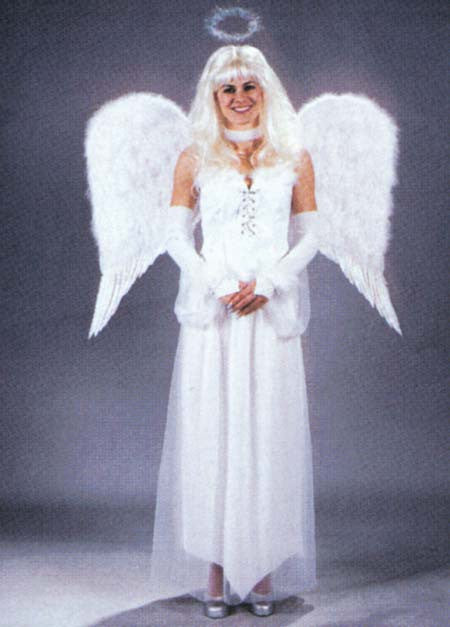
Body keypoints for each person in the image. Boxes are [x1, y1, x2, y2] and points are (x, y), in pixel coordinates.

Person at [148, 44, 319, 619]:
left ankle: (263, 569)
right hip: (215, 315)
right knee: (213, 437)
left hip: (269, 314)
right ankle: (217, 573)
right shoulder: (195, 158)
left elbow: (312, 235)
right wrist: (218, 282)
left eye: (249, 87)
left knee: (268, 433)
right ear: (213, 96)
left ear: (265, 92)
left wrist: (270, 282)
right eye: (229, 89)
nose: (240, 98)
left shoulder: (293, 157)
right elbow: (176, 236)